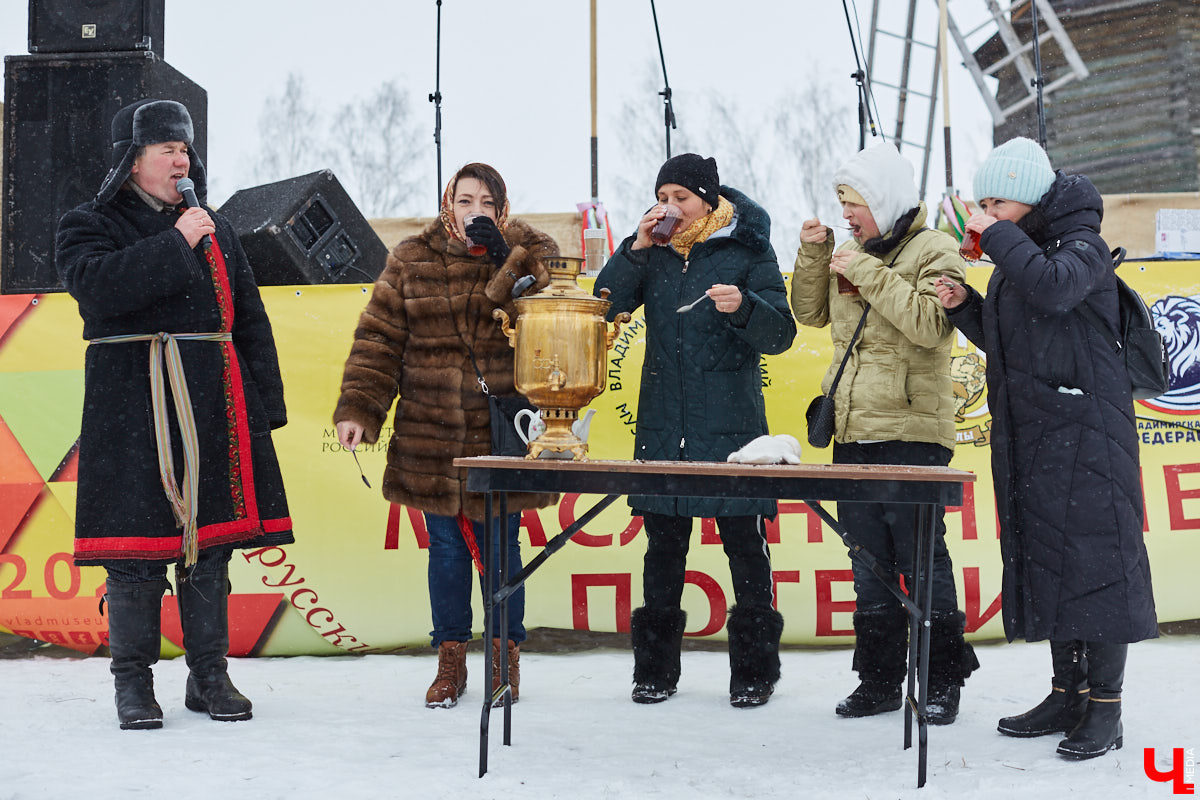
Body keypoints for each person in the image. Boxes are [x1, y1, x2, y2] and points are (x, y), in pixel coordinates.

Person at [54, 99, 294, 730]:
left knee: (208, 548)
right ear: (132, 162)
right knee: (135, 555)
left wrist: (265, 408)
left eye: (185, 150)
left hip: (213, 405)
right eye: (167, 150)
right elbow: (99, 288)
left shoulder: (213, 227)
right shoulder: (88, 222)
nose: (181, 161)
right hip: (131, 406)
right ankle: (133, 686)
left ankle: (208, 677)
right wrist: (175, 242)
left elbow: (247, 319)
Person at [935, 137, 1157, 759]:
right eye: (982, 204)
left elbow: (1056, 289)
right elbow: (1020, 341)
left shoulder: (1080, 246)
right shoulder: (1024, 253)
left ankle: (1106, 711)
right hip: (1038, 438)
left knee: (1099, 568)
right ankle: (1068, 692)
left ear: (1030, 197)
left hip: (1088, 437)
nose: (987, 214)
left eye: (997, 202)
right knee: (1055, 563)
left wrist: (997, 241)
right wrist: (967, 307)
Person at [333, 163, 558, 709]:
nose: (473, 210)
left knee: (503, 548)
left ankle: (505, 657)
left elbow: (547, 316)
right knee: (448, 554)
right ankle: (450, 660)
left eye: (485, 201)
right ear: (446, 204)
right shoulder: (412, 257)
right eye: (464, 201)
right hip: (430, 433)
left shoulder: (532, 250)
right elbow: (379, 338)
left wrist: (504, 255)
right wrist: (359, 407)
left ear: (502, 207)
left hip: (501, 432)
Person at [595, 153, 797, 708]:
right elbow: (602, 305)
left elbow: (780, 334)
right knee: (662, 550)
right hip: (663, 425)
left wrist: (744, 307)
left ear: (707, 198)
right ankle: (655, 672)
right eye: (663, 196)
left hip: (733, 427)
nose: (670, 207)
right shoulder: (653, 250)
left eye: (680, 197)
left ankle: (756, 672)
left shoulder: (748, 246)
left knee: (745, 547)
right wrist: (634, 249)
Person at [790, 141, 977, 725]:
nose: (846, 214)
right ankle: (877, 681)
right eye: (842, 202)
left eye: (855, 203)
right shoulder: (851, 249)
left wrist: (866, 269)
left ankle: (943, 680)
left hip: (915, 431)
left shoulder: (937, 249)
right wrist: (815, 255)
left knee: (923, 560)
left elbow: (928, 325)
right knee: (867, 561)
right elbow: (810, 314)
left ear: (885, 199)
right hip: (852, 431)